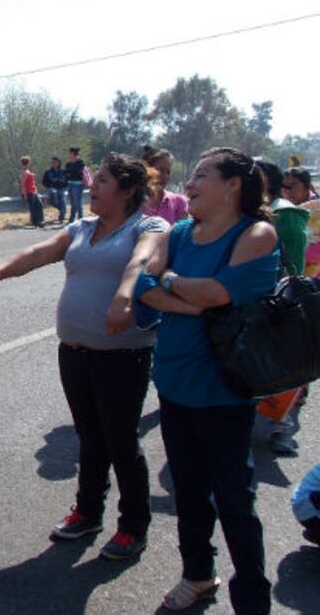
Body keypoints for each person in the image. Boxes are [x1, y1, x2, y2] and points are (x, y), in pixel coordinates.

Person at [0, 153, 167, 560]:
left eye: (103, 181)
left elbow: (142, 261)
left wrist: (124, 294)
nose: (92, 185)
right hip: (74, 353)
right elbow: (38, 252)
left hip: (122, 356)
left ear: (127, 190)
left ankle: (132, 527)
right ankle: (88, 512)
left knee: (122, 443)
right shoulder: (81, 227)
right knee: (89, 438)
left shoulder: (148, 227)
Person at [136, 147, 277, 613]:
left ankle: (252, 600)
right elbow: (142, 285)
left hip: (225, 392)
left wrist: (171, 281)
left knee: (235, 501)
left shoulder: (255, 233)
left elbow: (219, 293)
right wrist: (188, 298)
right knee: (190, 493)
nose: (189, 184)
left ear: (233, 184)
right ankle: (198, 575)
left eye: (201, 175)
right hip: (174, 383)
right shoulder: (179, 232)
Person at [257, 160, 309, 455]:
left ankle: (281, 428)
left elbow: (295, 268)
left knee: (283, 367)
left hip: (275, 303)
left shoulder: (286, 215)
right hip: (246, 303)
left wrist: (285, 303)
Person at [142, 148, 188, 224]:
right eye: (160, 170)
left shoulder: (179, 202)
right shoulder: (133, 202)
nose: (165, 176)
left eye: (168, 172)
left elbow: (184, 230)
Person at [291, 463, 320, 546]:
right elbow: (314, 497)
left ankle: (315, 532)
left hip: (305, 504)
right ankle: (316, 531)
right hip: (308, 507)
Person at [19, 156, 44, 228]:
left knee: (39, 205)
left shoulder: (27, 170)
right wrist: (24, 193)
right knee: (33, 207)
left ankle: (39, 221)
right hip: (29, 191)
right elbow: (23, 183)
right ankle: (35, 222)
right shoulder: (24, 172)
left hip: (33, 190)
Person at [63, 147, 86, 222]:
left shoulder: (80, 162)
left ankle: (81, 219)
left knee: (78, 202)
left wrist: (70, 174)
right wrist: (69, 174)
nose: (68, 154)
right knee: (72, 203)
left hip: (78, 185)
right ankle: (72, 219)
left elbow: (78, 174)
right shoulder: (68, 164)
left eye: (69, 153)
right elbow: (65, 173)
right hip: (70, 184)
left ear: (73, 153)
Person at [42, 157, 67, 223]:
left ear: (58, 163)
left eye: (55, 162)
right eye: (52, 162)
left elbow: (66, 180)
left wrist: (62, 183)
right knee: (54, 194)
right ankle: (61, 210)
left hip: (60, 189)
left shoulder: (62, 171)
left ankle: (62, 216)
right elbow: (44, 182)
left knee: (62, 200)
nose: (53, 163)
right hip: (51, 189)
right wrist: (50, 184)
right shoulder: (48, 172)